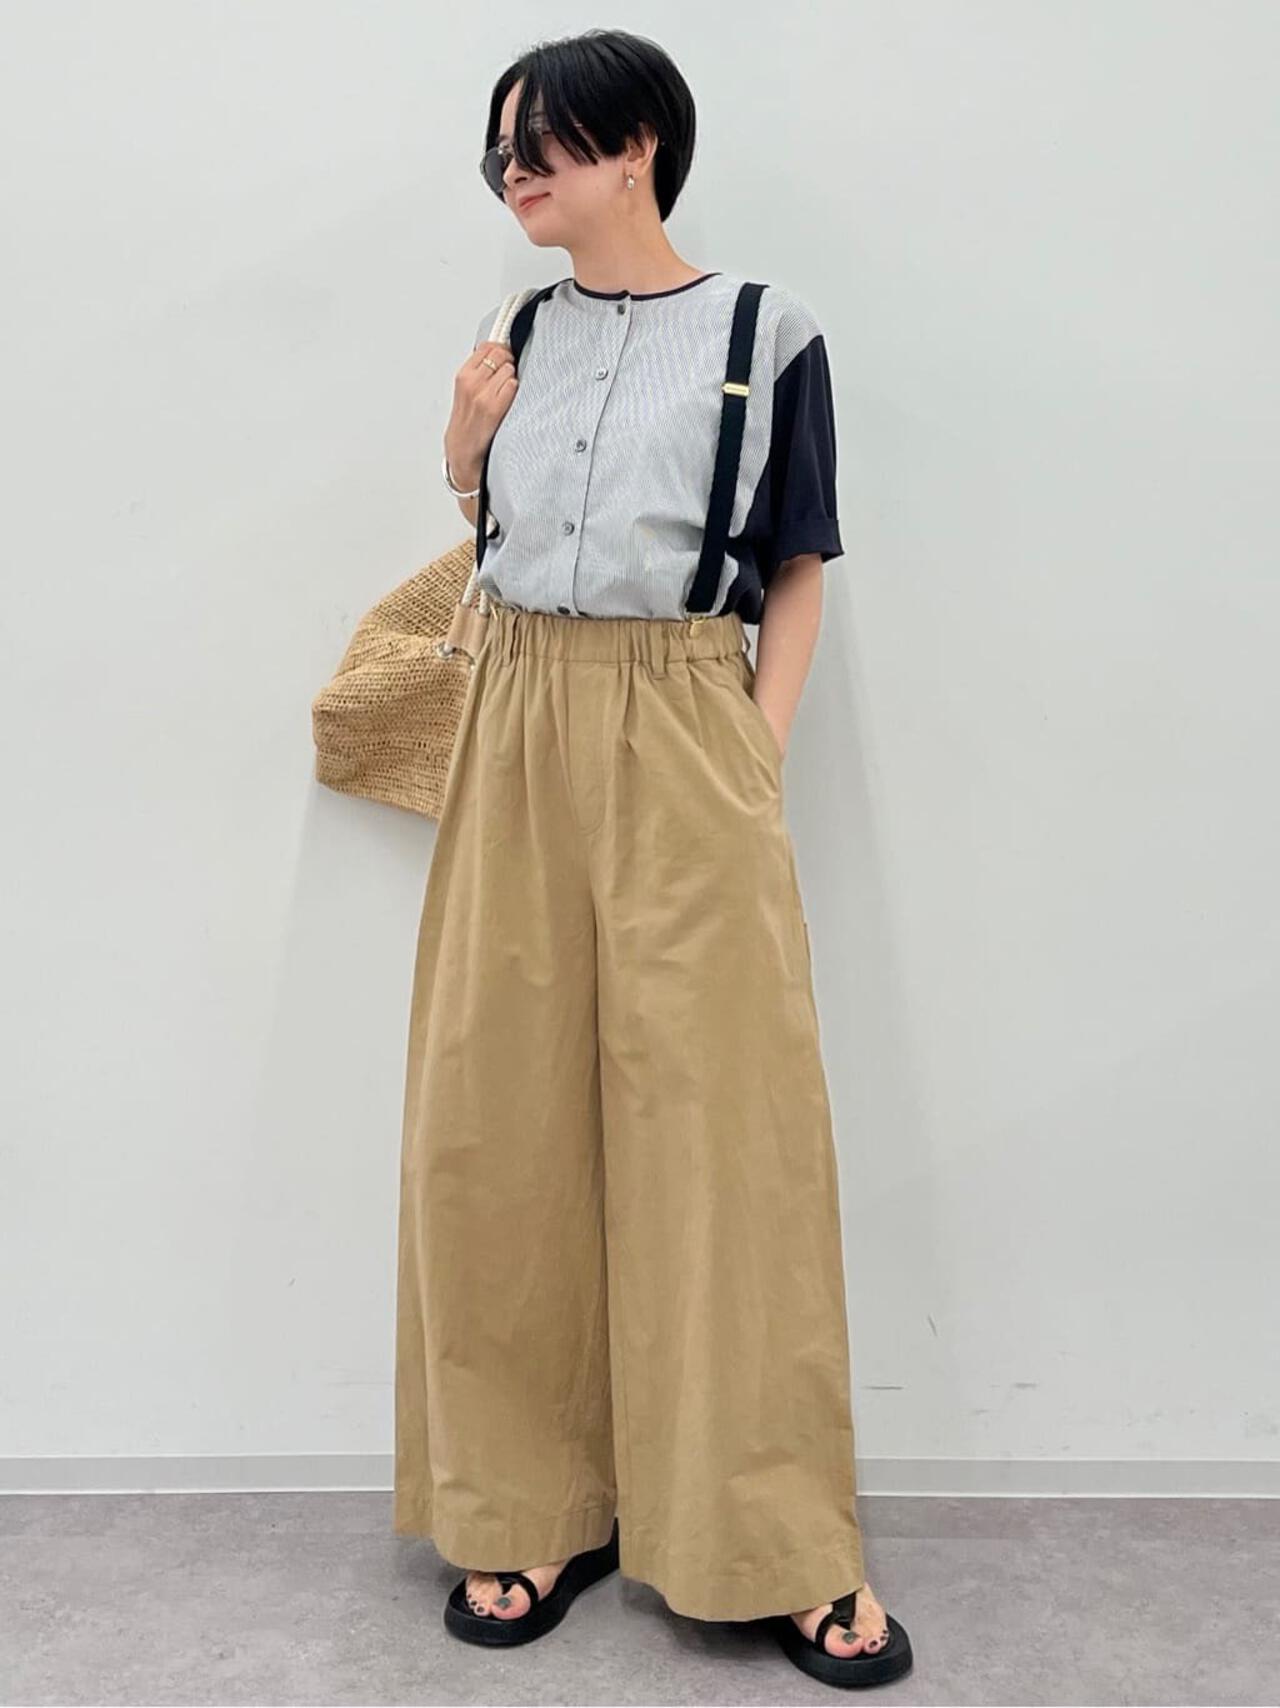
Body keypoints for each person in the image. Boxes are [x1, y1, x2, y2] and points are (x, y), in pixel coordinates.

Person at [393, 27, 913, 1690]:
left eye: (541, 141)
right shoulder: (522, 334)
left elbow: (799, 559)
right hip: (516, 716)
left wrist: (752, 755)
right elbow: (500, 537)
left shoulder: (769, 331)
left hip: (687, 719)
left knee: (725, 1136)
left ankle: (769, 1535)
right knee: (499, 1120)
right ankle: (532, 1502)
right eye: (500, 151)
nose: (514, 172)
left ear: (636, 146)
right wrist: (462, 445)